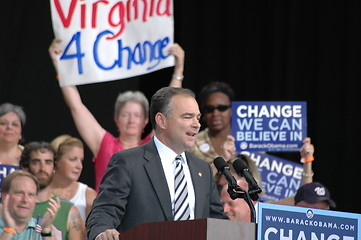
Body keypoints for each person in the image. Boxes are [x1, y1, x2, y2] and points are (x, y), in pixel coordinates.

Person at [86, 87, 228, 240]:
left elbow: (216, 221)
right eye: (188, 117)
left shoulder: (202, 169)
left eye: (198, 118)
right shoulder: (128, 162)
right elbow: (104, 211)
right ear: (162, 120)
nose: (197, 124)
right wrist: (103, 232)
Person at [49, 39, 185, 192]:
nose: (131, 120)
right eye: (125, 115)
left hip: (147, 216)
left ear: (146, 121)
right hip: (108, 215)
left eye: (137, 115)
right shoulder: (104, 144)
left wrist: (178, 69)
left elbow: (168, 105)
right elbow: (76, 106)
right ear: (116, 119)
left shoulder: (152, 145)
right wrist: (59, 64)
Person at [19, 141, 84, 240]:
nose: (43, 168)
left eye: (48, 162)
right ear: (25, 167)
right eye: (36, 162)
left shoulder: (69, 211)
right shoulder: (13, 207)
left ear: (54, 167)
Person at [189, 81, 236, 177]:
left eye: (222, 108)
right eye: (209, 109)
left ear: (232, 110)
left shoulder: (248, 138)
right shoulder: (193, 142)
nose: (215, 114)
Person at [0, 170, 60, 240]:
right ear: (5, 196)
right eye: (19, 193)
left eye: (31, 195)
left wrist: (46, 230)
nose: (25, 200)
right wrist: (9, 230)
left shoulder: (42, 228)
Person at [50, 134, 97, 221]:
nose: (79, 166)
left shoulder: (88, 195)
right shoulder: (41, 191)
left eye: (81, 160)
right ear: (56, 160)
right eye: (73, 159)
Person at [0, 103, 26, 189]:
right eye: (3, 123)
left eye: (15, 124)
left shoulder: (30, 156)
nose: (9, 127)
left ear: (20, 133)